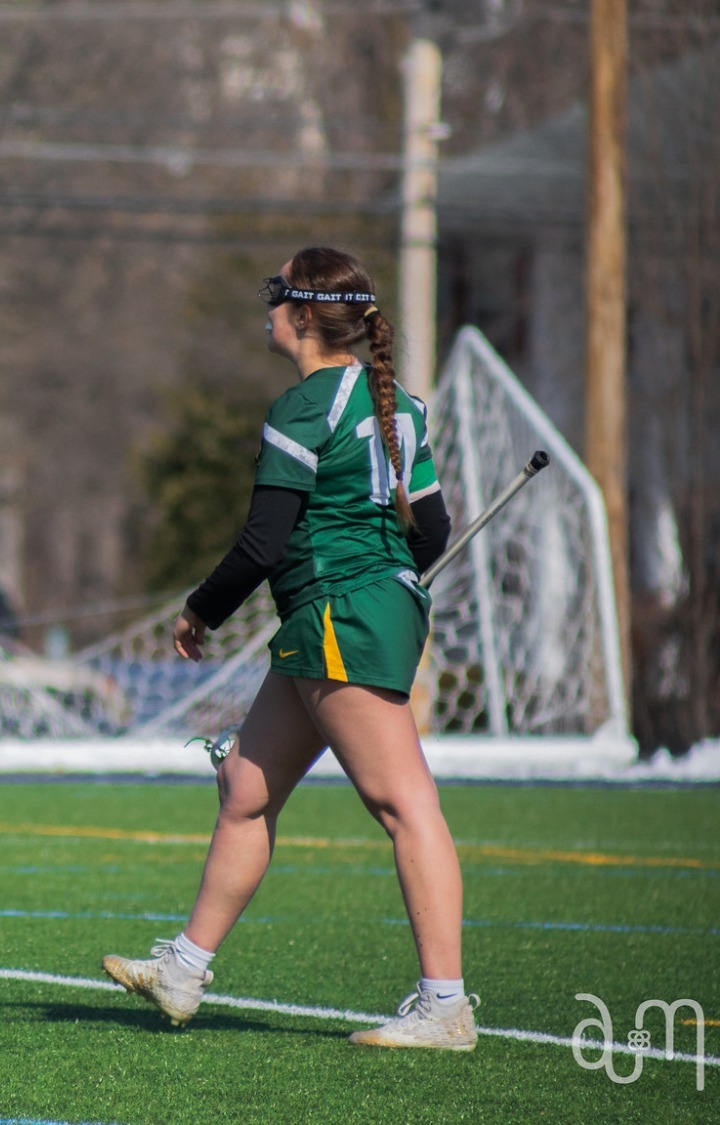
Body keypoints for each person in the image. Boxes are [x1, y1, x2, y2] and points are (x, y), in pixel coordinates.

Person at [101, 247, 473, 1050]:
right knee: (245, 786)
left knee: (404, 804)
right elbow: (434, 532)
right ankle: (183, 969)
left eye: (275, 296)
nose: (265, 308)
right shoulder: (399, 406)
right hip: (344, 612)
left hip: (342, 613)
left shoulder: (304, 407)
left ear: (304, 315)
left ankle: (445, 1005)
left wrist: (200, 611)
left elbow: (263, 541)